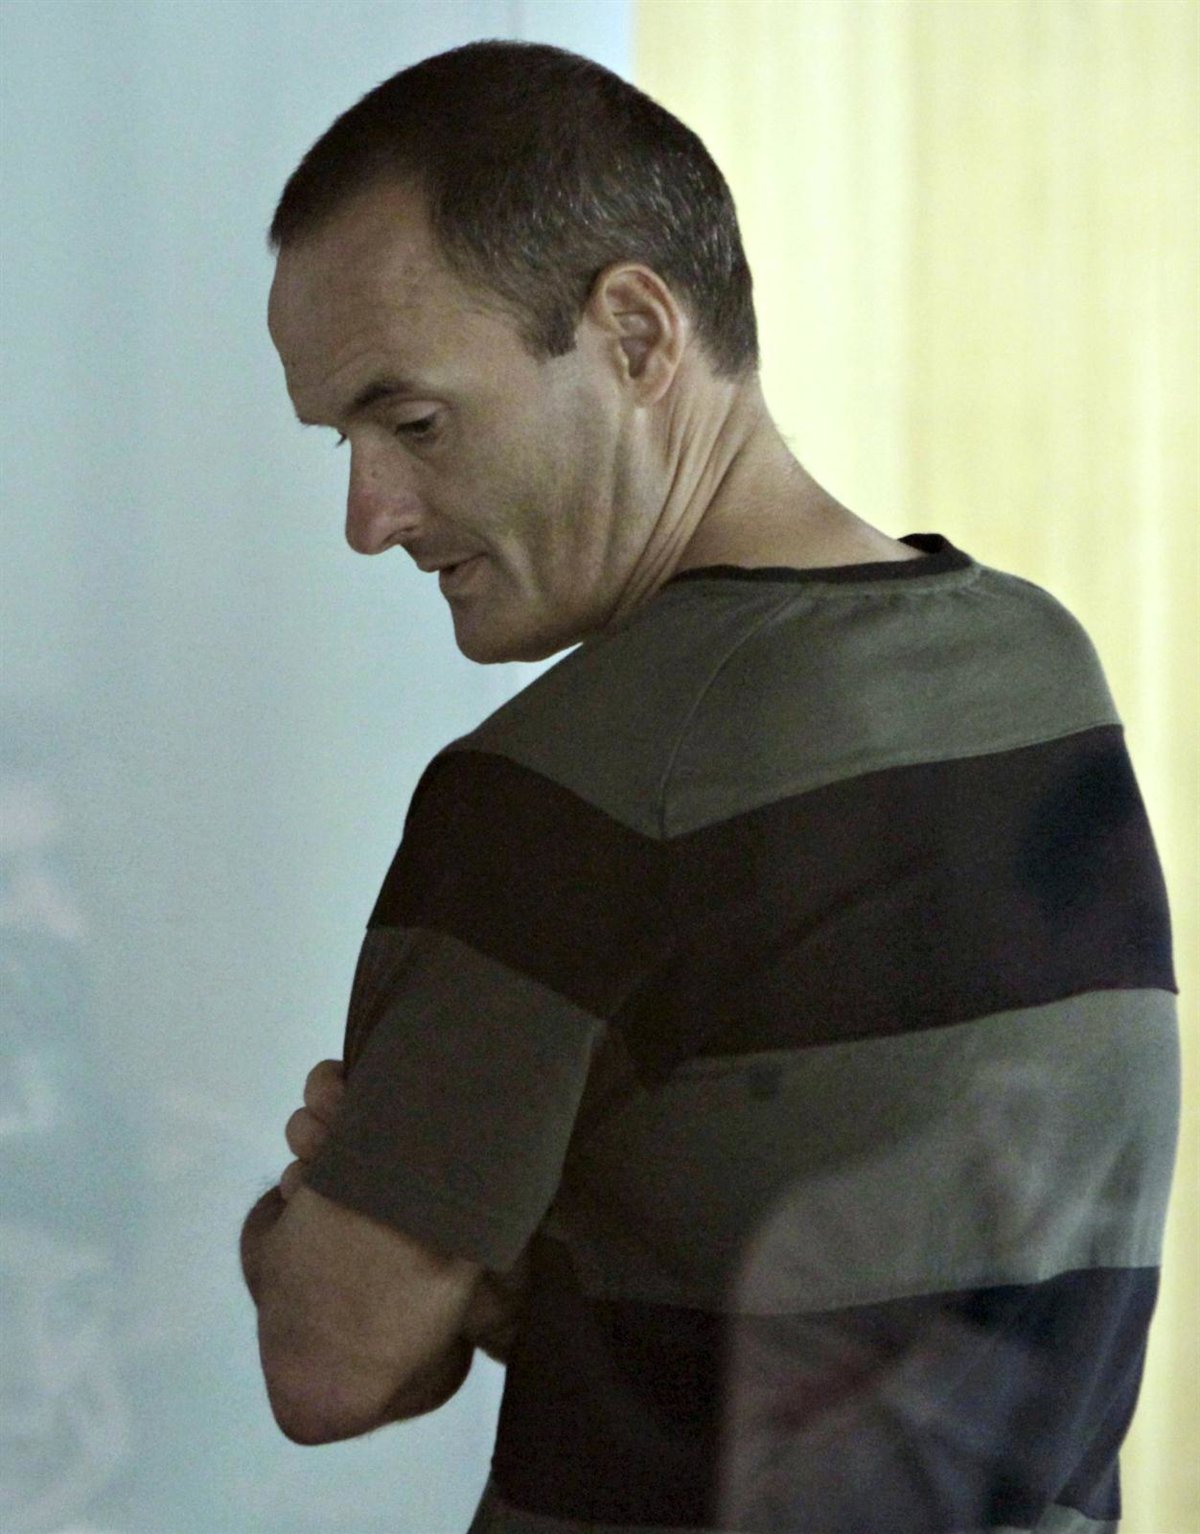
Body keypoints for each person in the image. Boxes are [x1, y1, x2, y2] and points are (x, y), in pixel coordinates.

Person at [239, 40, 1179, 1534]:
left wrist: (323, 1217)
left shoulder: (565, 786)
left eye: (410, 423)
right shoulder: (1040, 670)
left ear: (635, 334)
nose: (370, 516)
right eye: (341, 441)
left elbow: (333, 1361)